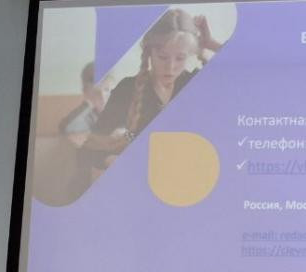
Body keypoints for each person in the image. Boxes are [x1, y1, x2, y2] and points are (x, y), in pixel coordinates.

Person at [82, 8, 221, 165]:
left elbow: (244, 84)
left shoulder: (195, 84)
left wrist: (211, 44)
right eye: (163, 57)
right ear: (149, 52)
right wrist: (114, 161)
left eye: (180, 58)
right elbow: (90, 148)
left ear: (189, 55)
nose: (170, 67)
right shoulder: (127, 89)